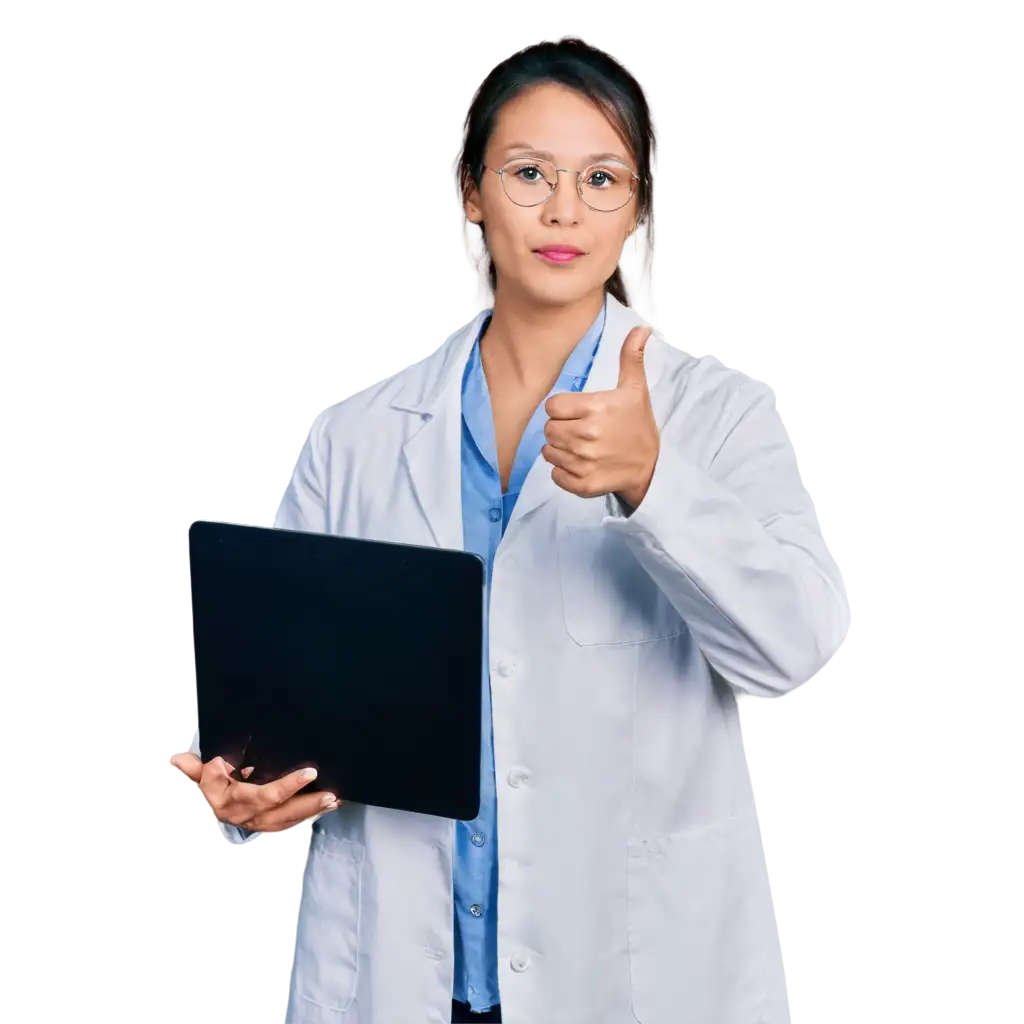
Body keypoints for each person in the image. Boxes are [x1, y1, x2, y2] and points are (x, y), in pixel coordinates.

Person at [167, 38, 849, 1024]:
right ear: (473, 194)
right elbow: (292, 682)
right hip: (404, 976)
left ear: (638, 209)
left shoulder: (714, 414)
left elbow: (796, 646)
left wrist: (654, 485)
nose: (565, 210)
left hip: (627, 971)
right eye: (529, 173)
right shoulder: (355, 434)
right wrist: (241, 780)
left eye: (601, 178)